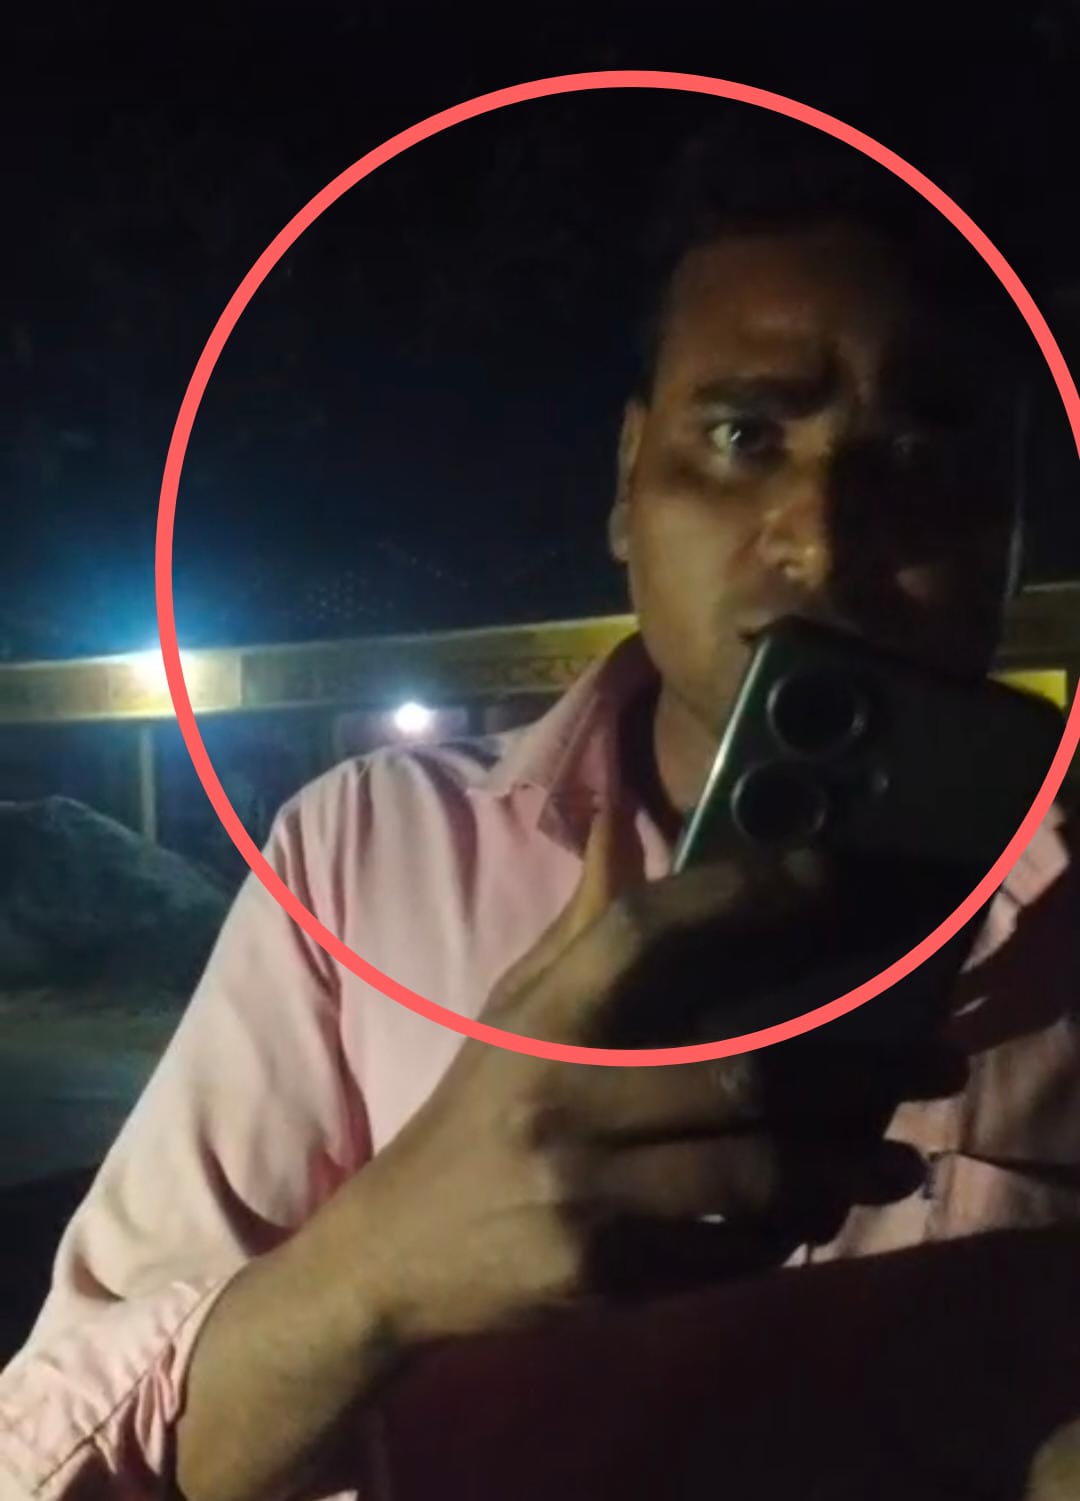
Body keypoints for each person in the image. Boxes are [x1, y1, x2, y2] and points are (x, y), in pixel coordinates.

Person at [2, 129, 1079, 1501]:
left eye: (925, 454)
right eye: (743, 434)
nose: (823, 536)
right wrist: (380, 1265)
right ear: (628, 487)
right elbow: (47, 1460)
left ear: (1013, 523)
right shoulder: (366, 854)